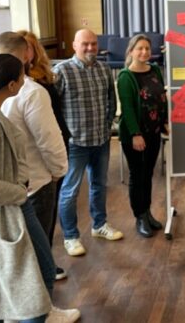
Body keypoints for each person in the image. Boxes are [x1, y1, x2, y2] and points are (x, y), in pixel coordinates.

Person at [0, 54, 51, 323]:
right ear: (13, 85)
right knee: (32, 296)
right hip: (3, 212)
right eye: (23, 77)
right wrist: (16, 193)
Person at [55, 29, 122, 257]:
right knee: (70, 191)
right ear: (74, 45)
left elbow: (111, 102)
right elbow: (54, 110)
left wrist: (107, 125)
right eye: (85, 44)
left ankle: (99, 225)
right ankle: (71, 236)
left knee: (99, 185)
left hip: (101, 139)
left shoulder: (104, 68)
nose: (91, 48)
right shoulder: (61, 71)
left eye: (94, 44)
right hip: (75, 143)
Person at [17, 30, 71, 281]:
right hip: (31, 165)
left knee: (46, 218)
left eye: (28, 47)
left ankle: (46, 262)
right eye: (20, 48)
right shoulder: (17, 86)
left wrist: (58, 164)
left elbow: (53, 123)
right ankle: (38, 273)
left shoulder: (45, 79)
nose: (25, 53)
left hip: (52, 152)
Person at [117, 34, 168, 238]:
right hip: (135, 136)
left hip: (154, 132)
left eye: (147, 48)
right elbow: (127, 109)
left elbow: (161, 98)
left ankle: (147, 212)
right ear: (131, 52)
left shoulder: (155, 70)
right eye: (140, 49)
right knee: (137, 175)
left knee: (148, 174)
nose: (145, 52)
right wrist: (136, 134)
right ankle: (139, 216)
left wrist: (163, 121)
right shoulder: (125, 77)